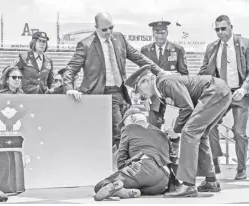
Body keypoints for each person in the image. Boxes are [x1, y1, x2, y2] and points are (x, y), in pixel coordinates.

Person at [63, 12, 170, 148]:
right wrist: (69, 88)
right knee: (120, 133)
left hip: (121, 93)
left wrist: (160, 71)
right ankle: (122, 166)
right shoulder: (86, 45)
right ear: (96, 28)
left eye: (111, 28)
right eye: (104, 29)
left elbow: (138, 57)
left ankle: (118, 163)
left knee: (123, 131)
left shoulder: (119, 38)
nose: (108, 32)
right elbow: (70, 69)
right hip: (102, 94)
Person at [125, 65, 232, 197]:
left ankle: (188, 185)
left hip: (214, 91)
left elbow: (187, 107)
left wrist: (175, 129)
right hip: (219, 91)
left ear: (146, 81)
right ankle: (211, 181)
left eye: (137, 89)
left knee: (189, 133)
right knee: (200, 135)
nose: (139, 95)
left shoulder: (164, 82)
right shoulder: (161, 88)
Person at [198, 15, 249, 180]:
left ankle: (241, 169)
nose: (220, 32)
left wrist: (245, 88)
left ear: (231, 27)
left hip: (240, 93)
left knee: (239, 132)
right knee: (209, 127)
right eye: (217, 29)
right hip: (220, 94)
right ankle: (214, 166)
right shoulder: (211, 47)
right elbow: (203, 72)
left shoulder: (245, 43)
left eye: (223, 28)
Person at [94, 108, 178, 201]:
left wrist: (123, 172)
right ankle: (125, 191)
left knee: (101, 185)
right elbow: (173, 158)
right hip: (163, 181)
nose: (124, 126)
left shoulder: (129, 128)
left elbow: (121, 157)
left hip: (144, 167)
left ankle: (118, 190)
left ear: (133, 118)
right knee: (137, 187)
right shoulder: (161, 132)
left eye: (125, 122)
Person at [141, 21, 189, 129]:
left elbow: (184, 75)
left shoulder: (178, 50)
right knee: (153, 132)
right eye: (157, 33)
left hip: (172, 99)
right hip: (153, 100)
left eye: (162, 33)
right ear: (153, 33)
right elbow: (142, 77)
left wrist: (177, 95)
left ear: (167, 33)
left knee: (172, 133)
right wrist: (144, 98)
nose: (160, 36)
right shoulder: (145, 50)